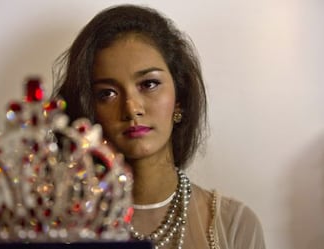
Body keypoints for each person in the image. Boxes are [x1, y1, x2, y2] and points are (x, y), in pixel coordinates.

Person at [53, 4, 266, 249]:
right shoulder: (63, 228)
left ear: (180, 99)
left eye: (149, 84)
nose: (132, 108)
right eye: (107, 93)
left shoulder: (232, 225)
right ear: (89, 110)